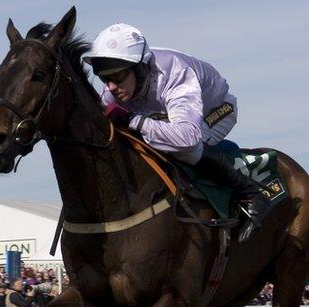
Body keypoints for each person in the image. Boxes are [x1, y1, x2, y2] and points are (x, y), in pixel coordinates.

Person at [84, 23, 272, 243]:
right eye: (104, 79)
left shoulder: (174, 73)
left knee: (187, 150)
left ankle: (252, 195)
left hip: (216, 110)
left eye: (117, 77)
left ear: (139, 67)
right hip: (167, 115)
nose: (111, 87)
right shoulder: (115, 88)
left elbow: (187, 136)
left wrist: (135, 121)